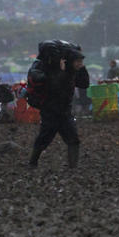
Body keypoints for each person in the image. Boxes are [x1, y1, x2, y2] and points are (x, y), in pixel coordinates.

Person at [27, 41, 89, 169]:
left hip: (65, 111)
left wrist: (81, 68)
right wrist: (63, 72)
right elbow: (54, 86)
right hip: (50, 111)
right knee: (44, 139)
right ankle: (32, 162)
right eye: (77, 61)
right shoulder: (54, 70)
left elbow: (84, 84)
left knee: (73, 139)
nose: (79, 64)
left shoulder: (72, 70)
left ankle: (73, 167)